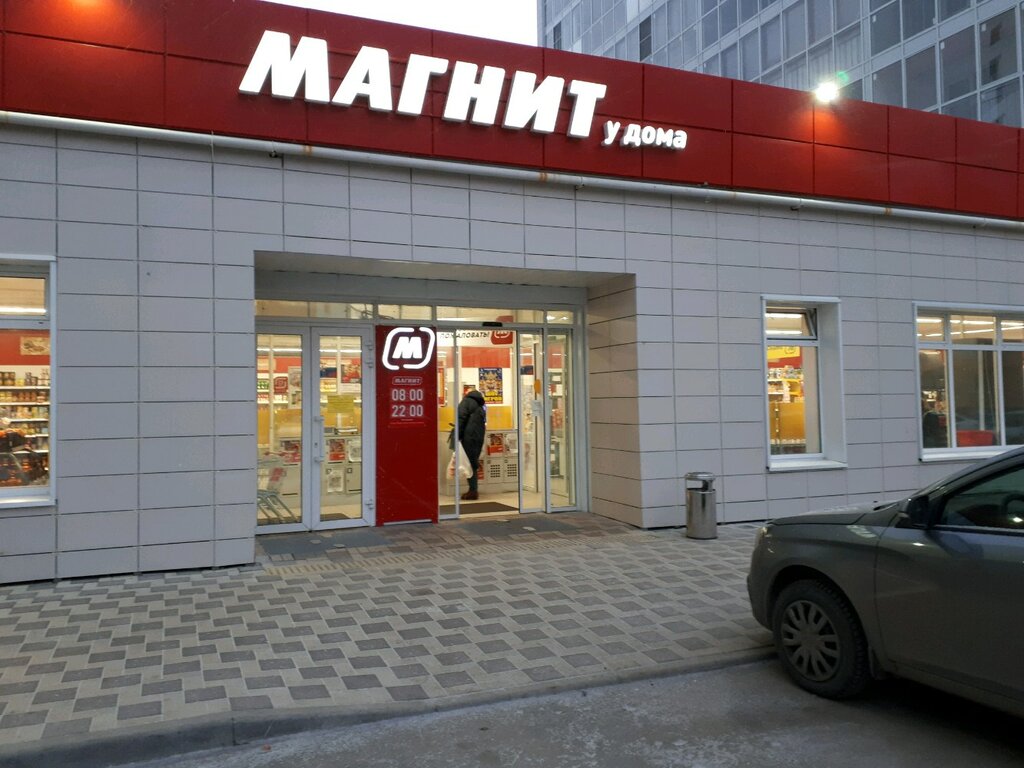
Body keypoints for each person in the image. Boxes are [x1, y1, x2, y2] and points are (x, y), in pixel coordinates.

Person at [457, 389, 486, 500]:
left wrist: (457, 436)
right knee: (472, 462)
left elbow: (460, 419)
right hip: (478, 437)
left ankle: (473, 491)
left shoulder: (466, 402)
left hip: (469, 436)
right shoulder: (480, 405)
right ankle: (473, 489)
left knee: (469, 463)